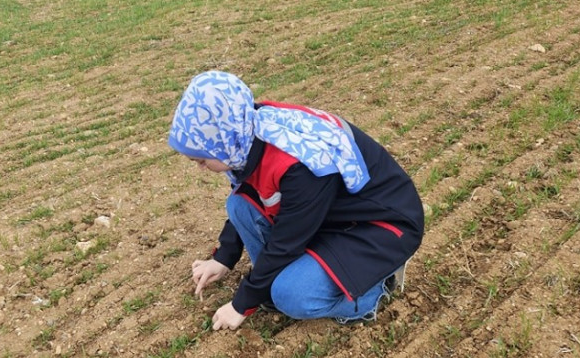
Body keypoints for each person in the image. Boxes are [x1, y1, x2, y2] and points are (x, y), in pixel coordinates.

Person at [167, 71, 424, 331]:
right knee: (239, 205)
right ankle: (272, 281)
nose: (200, 167)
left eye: (201, 160)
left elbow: (286, 242)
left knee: (290, 297)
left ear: (224, 141)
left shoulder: (302, 167)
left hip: (379, 228)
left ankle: (373, 291)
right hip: (328, 218)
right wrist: (224, 257)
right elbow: (248, 192)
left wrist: (241, 304)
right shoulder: (246, 133)